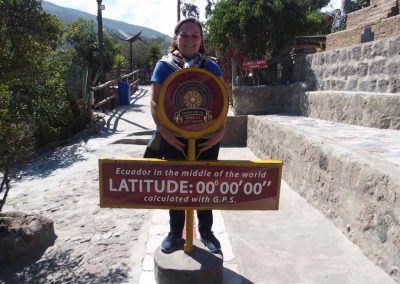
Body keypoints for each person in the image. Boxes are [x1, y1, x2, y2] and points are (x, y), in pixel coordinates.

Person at [146, 17, 225, 254]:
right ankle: (174, 232)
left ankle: (207, 232)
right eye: (184, 35)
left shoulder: (211, 66)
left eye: (195, 36)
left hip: (206, 137)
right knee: (177, 186)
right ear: (176, 38)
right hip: (174, 137)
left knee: (204, 186)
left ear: (201, 41)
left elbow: (223, 101)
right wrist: (164, 131)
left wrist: (220, 131)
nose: (189, 40)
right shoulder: (164, 65)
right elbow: (154, 101)